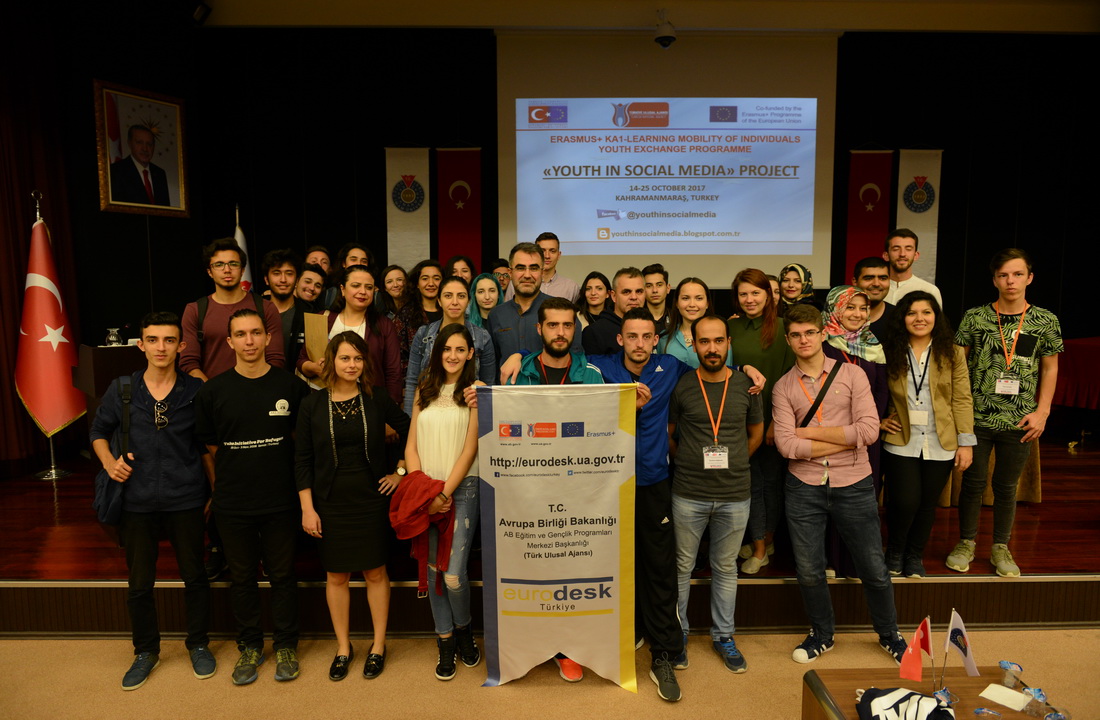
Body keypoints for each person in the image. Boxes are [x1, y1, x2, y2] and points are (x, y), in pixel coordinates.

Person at [772, 303, 907, 666]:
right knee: (809, 570)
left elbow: (869, 430)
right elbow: (786, 446)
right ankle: (822, 634)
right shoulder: (783, 387)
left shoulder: (852, 375)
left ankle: (889, 634)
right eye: (796, 335)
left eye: (810, 333)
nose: (804, 340)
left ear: (822, 334)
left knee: (873, 567)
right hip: (803, 486)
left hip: (854, 482)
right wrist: (845, 439)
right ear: (788, 340)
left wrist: (808, 434)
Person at [90, 311, 214, 691]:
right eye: (153, 340)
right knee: (140, 583)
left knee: (195, 576)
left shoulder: (195, 391)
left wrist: (216, 491)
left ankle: (198, 644)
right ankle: (145, 651)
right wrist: (109, 463)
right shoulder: (123, 389)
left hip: (186, 496)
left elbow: (206, 445)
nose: (161, 347)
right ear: (141, 345)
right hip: (137, 500)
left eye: (169, 340)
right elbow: (98, 431)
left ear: (181, 345)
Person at [194, 309, 310, 685]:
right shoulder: (212, 391)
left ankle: (286, 645)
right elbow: (209, 446)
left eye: (256, 333)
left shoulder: (290, 387)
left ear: (267, 338)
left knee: (283, 576)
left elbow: (303, 444)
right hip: (233, 502)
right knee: (242, 578)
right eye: (241, 334)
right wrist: (218, 488)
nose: (249, 341)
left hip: (281, 500)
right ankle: (250, 645)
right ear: (229, 341)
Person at [296, 332, 409, 681]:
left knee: (375, 572)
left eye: (358, 358)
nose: (352, 365)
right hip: (329, 502)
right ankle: (343, 647)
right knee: (336, 575)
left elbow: (410, 429)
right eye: (345, 358)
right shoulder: (311, 404)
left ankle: (378, 645)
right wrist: (307, 508)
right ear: (331, 361)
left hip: (371, 499)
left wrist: (400, 472)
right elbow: (302, 459)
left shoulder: (376, 398)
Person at [947, 248, 1062, 578]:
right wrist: (957, 414)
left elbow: (1050, 368)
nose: (1010, 281)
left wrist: (1043, 412)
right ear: (994, 280)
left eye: (1017, 274)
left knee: (1006, 487)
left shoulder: (1046, 320)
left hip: (1021, 419)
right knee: (972, 484)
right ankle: (966, 543)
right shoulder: (975, 317)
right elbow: (956, 365)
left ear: (1029, 278)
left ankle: (1000, 546)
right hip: (976, 418)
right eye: (1003, 275)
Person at [668, 314, 763, 674]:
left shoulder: (746, 385)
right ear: (694, 344)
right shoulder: (682, 385)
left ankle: (724, 636)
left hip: (735, 493)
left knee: (725, 567)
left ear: (728, 343)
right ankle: (678, 635)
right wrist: (690, 461)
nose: (712, 348)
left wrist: (734, 461)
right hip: (688, 492)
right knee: (682, 566)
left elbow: (756, 433)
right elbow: (670, 434)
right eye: (704, 341)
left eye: (718, 341)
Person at [404, 324, 484, 680]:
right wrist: (423, 491)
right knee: (433, 571)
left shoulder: (475, 391)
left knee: (453, 575)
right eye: (446, 349)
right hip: (425, 489)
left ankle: (464, 629)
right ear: (437, 352)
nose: (452, 355)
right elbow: (411, 445)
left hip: (462, 489)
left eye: (460, 349)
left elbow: (470, 449)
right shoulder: (424, 386)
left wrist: (443, 494)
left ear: (470, 353)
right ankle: (445, 639)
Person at [879, 292, 975, 578]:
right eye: (912, 313)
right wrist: (877, 420)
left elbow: (962, 398)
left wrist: (966, 443)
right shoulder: (889, 351)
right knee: (904, 501)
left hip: (941, 440)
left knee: (926, 504)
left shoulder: (952, 352)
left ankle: (914, 555)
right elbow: (874, 390)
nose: (919, 318)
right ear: (902, 318)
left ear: (936, 317)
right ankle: (894, 550)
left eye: (926, 312)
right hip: (901, 438)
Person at [728, 268, 795, 574]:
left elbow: (789, 380)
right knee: (748, 483)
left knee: (770, 483)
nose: (750, 299)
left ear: (768, 295)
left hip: (772, 420)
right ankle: (758, 540)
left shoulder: (783, 328)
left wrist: (775, 422)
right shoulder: (731, 327)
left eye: (756, 292)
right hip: (737, 420)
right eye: (743, 294)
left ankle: (766, 542)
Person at [820, 285, 888, 579]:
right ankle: (830, 559)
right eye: (850, 307)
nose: (858, 314)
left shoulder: (873, 345)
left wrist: (872, 424)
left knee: (861, 502)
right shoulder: (822, 343)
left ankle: (854, 563)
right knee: (830, 497)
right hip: (830, 435)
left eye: (863, 308)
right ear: (836, 309)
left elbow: (881, 390)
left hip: (865, 438)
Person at [180, 238, 285, 382]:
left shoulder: (266, 308)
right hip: (211, 392)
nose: (227, 270)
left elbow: (276, 359)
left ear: (242, 270)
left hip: (258, 390)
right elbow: (189, 363)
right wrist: (213, 391)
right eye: (219, 265)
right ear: (209, 272)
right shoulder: (195, 310)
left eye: (233, 264)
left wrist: (256, 389)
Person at [298, 265, 402, 402]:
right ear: (342, 289)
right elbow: (302, 360)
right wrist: (314, 368)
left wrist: (391, 407)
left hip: (369, 402)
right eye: (356, 285)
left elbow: (393, 372)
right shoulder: (322, 318)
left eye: (369, 287)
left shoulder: (384, 325)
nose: (363, 292)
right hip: (324, 400)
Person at [403, 276, 496, 415]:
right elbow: (412, 381)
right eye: (448, 296)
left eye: (461, 296)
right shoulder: (424, 334)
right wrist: (410, 420)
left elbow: (488, 384)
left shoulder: (482, 337)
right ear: (439, 301)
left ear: (468, 301)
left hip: (467, 412)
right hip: (428, 412)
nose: (455, 302)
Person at [487, 242, 580, 363]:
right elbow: (491, 363)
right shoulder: (496, 315)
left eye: (534, 268)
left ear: (542, 272)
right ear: (510, 273)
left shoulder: (562, 311)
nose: (527, 275)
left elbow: (576, 360)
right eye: (520, 268)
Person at [658, 277, 730, 368]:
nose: (692, 304)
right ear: (677, 303)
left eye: (699, 298)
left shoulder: (721, 338)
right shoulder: (664, 338)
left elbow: (728, 372)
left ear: (707, 303)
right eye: (685, 298)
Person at [394, 259, 444, 381]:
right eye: (425, 278)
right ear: (417, 284)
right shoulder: (406, 314)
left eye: (436, 278)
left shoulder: (450, 310)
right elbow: (399, 355)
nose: (431, 283)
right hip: (417, 381)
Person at [582, 267, 646, 355]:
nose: (634, 297)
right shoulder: (594, 332)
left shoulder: (652, 327)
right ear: (613, 296)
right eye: (626, 292)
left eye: (639, 291)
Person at [261, 249, 308, 365]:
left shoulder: (309, 313)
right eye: (276, 273)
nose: (283, 279)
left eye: (289, 273)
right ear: (266, 279)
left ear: (297, 280)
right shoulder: (254, 310)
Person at [506, 232, 580, 303]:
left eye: (552, 251)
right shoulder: (516, 283)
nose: (547, 256)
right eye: (542, 251)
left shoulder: (571, 287)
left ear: (559, 255)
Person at [109, 124, 170, 206]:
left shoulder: (160, 174)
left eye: (149, 144)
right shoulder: (116, 171)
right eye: (139, 142)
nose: (145, 149)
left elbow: (165, 209)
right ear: (129, 143)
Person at [882, 229, 943, 307]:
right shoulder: (875, 289)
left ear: (916, 255)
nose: (902, 254)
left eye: (908, 249)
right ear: (886, 255)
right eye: (896, 249)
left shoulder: (929, 290)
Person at [321, 243, 376, 310]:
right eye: (353, 259)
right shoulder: (330, 293)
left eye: (364, 261)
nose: (358, 263)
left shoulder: (374, 294)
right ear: (343, 263)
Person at [852, 256, 895, 340]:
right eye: (868, 278)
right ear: (855, 281)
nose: (876, 284)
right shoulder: (837, 316)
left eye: (883, 278)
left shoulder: (899, 316)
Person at [643, 263, 672, 336]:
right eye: (649, 286)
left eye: (659, 285)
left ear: (668, 288)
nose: (655, 290)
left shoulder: (677, 318)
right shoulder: (635, 318)